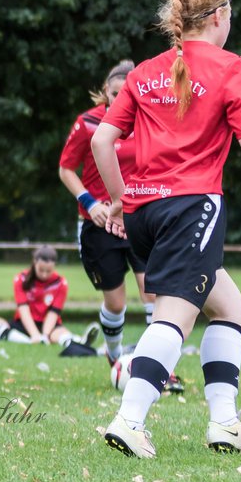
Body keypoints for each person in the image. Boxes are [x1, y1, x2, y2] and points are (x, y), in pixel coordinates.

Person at [94, 0, 241, 458]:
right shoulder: (230, 67)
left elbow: (101, 140)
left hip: (145, 214)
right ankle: (129, 419)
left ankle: (225, 423)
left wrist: (119, 199)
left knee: (229, 307)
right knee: (173, 316)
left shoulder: (144, 70)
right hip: (192, 208)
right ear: (219, 16)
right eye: (230, 14)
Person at [58, 62, 178, 380]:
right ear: (105, 92)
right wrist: (90, 202)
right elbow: (66, 169)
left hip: (139, 220)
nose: (120, 100)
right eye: (115, 94)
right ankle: (115, 359)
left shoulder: (151, 123)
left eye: (128, 93)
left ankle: (160, 368)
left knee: (152, 292)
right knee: (116, 302)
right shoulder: (87, 124)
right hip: (99, 224)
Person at [0, 246, 95, 353]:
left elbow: (54, 313)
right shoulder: (21, 278)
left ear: (54, 266)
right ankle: (28, 341)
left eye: (48, 271)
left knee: (60, 335)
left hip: (49, 325)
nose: (44, 275)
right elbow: (23, 310)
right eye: (41, 270)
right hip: (23, 324)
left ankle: (80, 341)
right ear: (34, 263)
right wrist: (34, 335)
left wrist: (44, 334)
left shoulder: (61, 283)